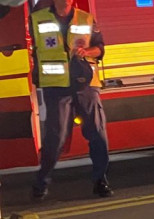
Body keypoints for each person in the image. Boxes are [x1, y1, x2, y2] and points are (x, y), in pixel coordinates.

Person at [29, 0, 112, 200]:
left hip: (86, 83)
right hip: (56, 85)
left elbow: (100, 48)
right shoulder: (37, 18)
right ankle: (42, 181)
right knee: (55, 138)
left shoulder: (86, 18)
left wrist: (87, 52)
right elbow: (36, 50)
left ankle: (100, 180)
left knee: (97, 133)